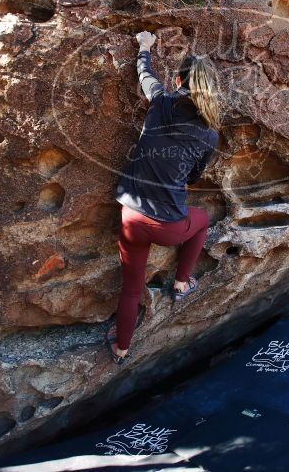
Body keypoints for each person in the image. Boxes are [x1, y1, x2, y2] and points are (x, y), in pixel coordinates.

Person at [106, 31, 220, 365]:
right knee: (202, 222)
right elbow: (194, 176)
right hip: (169, 225)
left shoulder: (160, 102)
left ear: (178, 79)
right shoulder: (208, 132)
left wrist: (144, 47)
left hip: (131, 216)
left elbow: (146, 75)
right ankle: (181, 284)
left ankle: (121, 349)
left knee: (130, 288)